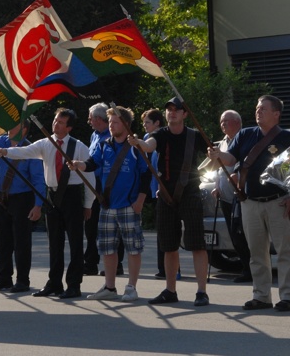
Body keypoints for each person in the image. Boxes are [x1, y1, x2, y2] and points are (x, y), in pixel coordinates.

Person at [206, 95, 290, 312]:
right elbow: (231, 159)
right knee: (256, 252)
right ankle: (261, 295)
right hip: (249, 202)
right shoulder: (245, 134)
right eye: (257, 108)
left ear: (276, 114)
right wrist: (218, 154)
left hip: (278, 201)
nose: (258, 112)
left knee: (285, 251)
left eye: (263, 109)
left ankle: (288, 297)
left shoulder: (289, 138)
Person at [0, 108, 94, 299]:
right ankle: (54, 283)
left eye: (61, 122)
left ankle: (73, 284)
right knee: (54, 243)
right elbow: (24, 151)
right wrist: (5, 151)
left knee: (75, 242)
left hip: (72, 196)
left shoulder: (79, 146)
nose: (56, 124)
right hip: (52, 195)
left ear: (69, 127)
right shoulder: (46, 144)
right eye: (55, 120)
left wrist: (88, 204)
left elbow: (90, 176)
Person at [128, 97, 210, 307]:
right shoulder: (160, 134)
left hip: (190, 193)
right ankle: (170, 290)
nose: (172, 112)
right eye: (169, 110)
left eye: (176, 110)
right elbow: (149, 146)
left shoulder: (194, 135)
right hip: (165, 195)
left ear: (184, 114)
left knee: (197, 245)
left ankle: (201, 292)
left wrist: (209, 163)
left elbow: (213, 155)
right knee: (168, 246)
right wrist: (138, 143)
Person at [77, 107, 151, 302]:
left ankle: (131, 287)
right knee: (107, 248)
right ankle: (110, 287)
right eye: (110, 122)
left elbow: (146, 174)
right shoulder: (104, 145)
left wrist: (140, 200)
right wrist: (79, 165)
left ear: (126, 125)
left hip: (129, 204)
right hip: (107, 205)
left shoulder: (136, 146)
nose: (111, 126)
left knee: (133, 248)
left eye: (115, 122)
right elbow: (92, 163)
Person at [0, 124, 44, 293]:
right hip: (4, 198)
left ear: (24, 129)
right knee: (3, 241)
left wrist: (38, 205)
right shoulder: (2, 141)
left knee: (21, 242)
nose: (8, 127)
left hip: (23, 199)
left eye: (13, 125)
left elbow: (38, 179)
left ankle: (23, 280)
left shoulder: (31, 149)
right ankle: (4, 278)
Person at [211, 110, 251, 283]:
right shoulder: (222, 143)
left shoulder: (243, 139)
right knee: (234, 234)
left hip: (241, 195)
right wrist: (216, 186)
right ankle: (245, 267)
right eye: (221, 121)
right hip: (226, 196)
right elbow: (218, 169)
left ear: (237, 122)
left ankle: (250, 270)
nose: (223, 124)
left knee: (243, 233)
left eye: (226, 121)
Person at [141, 109, 170, 279]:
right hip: (152, 188)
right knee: (160, 228)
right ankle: (162, 268)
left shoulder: (163, 138)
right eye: (144, 122)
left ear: (157, 123)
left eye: (148, 122)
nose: (145, 125)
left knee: (165, 229)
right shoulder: (146, 139)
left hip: (161, 187)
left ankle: (170, 268)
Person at [83, 103, 111, 276]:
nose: (89, 121)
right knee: (91, 224)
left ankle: (117, 263)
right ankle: (90, 263)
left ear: (99, 119)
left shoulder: (113, 135)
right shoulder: (94, 135)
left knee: (111, 224)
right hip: (93, 183)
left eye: (90, 118)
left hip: (107, 184)